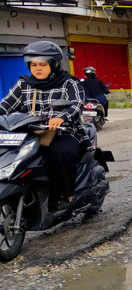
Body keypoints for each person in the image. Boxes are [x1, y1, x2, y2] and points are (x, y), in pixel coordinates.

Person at [0, 41, 88, 209]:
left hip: (64, 131)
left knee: (59, 153)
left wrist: (61, 117)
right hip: (30, 133)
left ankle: (66, 194)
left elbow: (77, 104)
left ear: (53, 65)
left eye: (42, 64)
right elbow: (5, 105)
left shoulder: (69, 82)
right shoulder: (24, 84)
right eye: (33, 65)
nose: (37, 68)